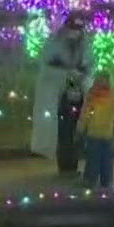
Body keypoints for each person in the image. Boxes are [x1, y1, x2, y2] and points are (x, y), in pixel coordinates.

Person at [30, 13, 91, 173]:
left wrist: (81, 75)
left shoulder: (85, 44)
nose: (75, 33)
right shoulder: (54, 43)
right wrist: (65, 73)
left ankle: (74, 162)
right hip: (61, 96)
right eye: (73, 28)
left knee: (77, 131)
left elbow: (90, 64)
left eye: (79, 29)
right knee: (63, 132)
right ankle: (65, 166)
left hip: (78, 94)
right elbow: (47, 66)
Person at [78, 72, 114, 189]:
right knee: (106, 160)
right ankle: (106, 182)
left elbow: (86, 113)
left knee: (93, 159)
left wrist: (81, 128)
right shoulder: (113, 95)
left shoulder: (92, 95)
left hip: (93, 133)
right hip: (107, 133)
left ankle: (90, 181)